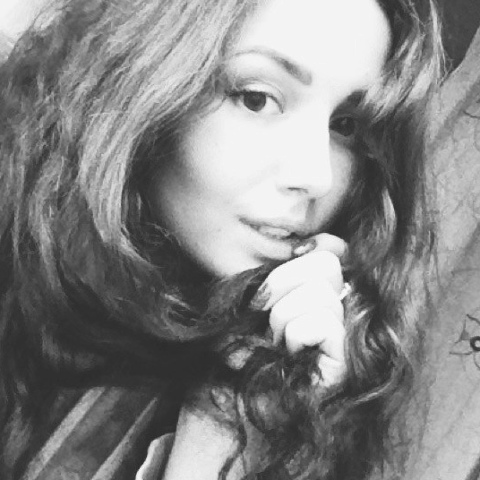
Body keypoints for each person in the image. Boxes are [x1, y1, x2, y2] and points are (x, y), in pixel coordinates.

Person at [0, 0, 443, 479]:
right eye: (257, 99)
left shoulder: (309, 361)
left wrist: (261, 425)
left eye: (346, 126)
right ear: (138, 76)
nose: (316, 176)